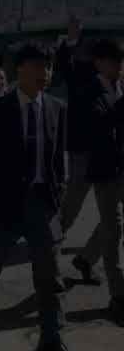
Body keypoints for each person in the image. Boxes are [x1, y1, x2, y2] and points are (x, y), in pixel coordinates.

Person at [0, 43, 68, 351]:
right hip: (7, 205)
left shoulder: (56, 108)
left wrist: (58, 194)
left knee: (49, 275)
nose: (43, 74)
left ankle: (51, 338)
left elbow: (58, 158)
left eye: (47, 68)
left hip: (43, 203)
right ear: (19, 70)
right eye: (36, 67)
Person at [58, 24, 124, 323]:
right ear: (100, 61)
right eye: (115, 61)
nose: (119, 66)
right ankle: (117, 297)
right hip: (90, 161)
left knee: (113, 226)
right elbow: (62, 70)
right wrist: (70, 41)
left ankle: (85, 259)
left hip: (115, 164)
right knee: (75, 212)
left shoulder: (118, 87)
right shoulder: (85, 83)